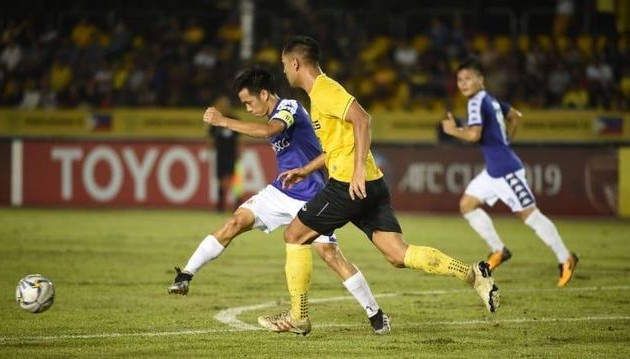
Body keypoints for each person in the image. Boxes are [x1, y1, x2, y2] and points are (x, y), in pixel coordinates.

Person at [257, 36, 499, 335]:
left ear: (295, 63)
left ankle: (298, 316)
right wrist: (306, 169)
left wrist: (356, 170)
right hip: (371, 184)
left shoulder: (324, 90)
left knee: (294, 235)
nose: (283, 71)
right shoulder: (320, 93)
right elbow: (338, 145)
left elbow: (363, 119)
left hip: (349, 183)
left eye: (284, 65)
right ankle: (473, 274)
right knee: (398, 255)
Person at [167, 68, 391, 335]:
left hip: (312, 195)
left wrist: (224, 121)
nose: (248, 108)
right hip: (281, 190)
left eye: (249, 102)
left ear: (264, 94)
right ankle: (186, 275)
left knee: (330, 255)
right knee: (235, 222)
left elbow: (268, 131)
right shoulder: (276, 110)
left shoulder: (289, 107)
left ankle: (376, 314)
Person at [440, 57, 579, 287]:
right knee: (467, 204)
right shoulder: (491, 100)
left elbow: (475, 135)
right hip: (493, 171)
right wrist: (506, 140)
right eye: (459, 79)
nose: (463, 83)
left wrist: (453, 130)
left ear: (480, 80)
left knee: (530, 216)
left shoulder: (476, 101)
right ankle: (499, 250)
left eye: (468, 78)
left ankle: (566, 259)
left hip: (506, 171)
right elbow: (515, 116)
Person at [208, 95, 240, 212]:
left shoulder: (234, 119)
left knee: (233, 179)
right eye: (221, 105)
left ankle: (237, 203)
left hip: (232, 154)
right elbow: (210, 138)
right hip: (220, 154)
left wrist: (239, 151)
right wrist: (210, 151)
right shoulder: (215, 121)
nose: (223, 107)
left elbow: (239, 138)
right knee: (221, 179)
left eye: (225, 105)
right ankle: (220, 205)